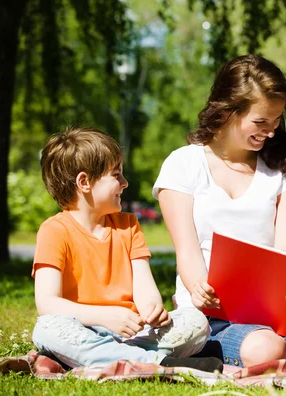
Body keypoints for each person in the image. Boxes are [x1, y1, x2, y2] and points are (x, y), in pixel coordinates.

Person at [153, 54, 286, 367]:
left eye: (277, 121)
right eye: (260, 122)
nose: (271, 132)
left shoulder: (282, 170)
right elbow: (187, 251)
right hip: (213, 316)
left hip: (278, 313)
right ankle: (255, 351)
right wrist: (199, 288)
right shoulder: (184, 164)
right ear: (226, 112)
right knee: (265, 349)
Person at [32, 127, 222, 372]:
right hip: (82, 329)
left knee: (196, 322)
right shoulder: (54, 230)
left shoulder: (128, 225)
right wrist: (105, 317)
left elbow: (145, 290)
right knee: (46, 329)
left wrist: (153, 311)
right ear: (84, 182)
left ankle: (113, 358)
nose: (125, 183)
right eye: (116, 175)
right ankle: (157, 362)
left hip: (132, 333)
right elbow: (47, 304)